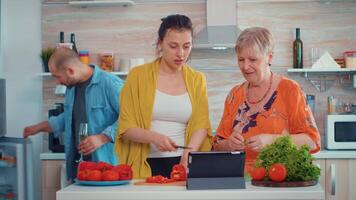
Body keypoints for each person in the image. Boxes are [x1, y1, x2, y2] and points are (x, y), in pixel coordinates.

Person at [115, 14, 212, 178]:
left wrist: (189, 154)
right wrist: (154, 137)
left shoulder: (198, 80)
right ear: (160, 44)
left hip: (183, 164)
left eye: (187, 46)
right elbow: (126, 128)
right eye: (173, 46)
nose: (181, 53)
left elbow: (201, 124)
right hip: (144, 163)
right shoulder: (137, 76)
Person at [213, 27, 321, 173]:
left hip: (281, 178)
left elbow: (312, 142)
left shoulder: (290, 90)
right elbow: (217, 145)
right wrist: (229, 144)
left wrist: (272, 141)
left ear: (269, 57)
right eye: (241, 60)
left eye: (252, 59)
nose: (245, 66)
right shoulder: (235, 95)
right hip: (240, 180)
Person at [23, 47, 124, 181]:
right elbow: (68, 118)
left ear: (70, 71)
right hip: (81, 169)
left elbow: (132, 118)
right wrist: (38, 127)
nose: (57, 82)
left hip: (109, 170)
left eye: (57, 77)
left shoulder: (111, 84)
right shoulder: (72, 88)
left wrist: (102, 137)